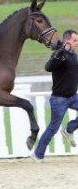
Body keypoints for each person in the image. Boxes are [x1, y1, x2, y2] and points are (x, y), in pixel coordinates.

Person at [32, 29, 78, 161]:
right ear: (67, 40)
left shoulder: (74, 56)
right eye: (75, 40)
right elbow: (48, 67)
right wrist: (59, 53)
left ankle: (69, 130)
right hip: (59, 100)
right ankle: (37, 155)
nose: (77, 43)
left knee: (55, 128)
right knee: (53, 128)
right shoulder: (59, 55)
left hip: (73, 97)